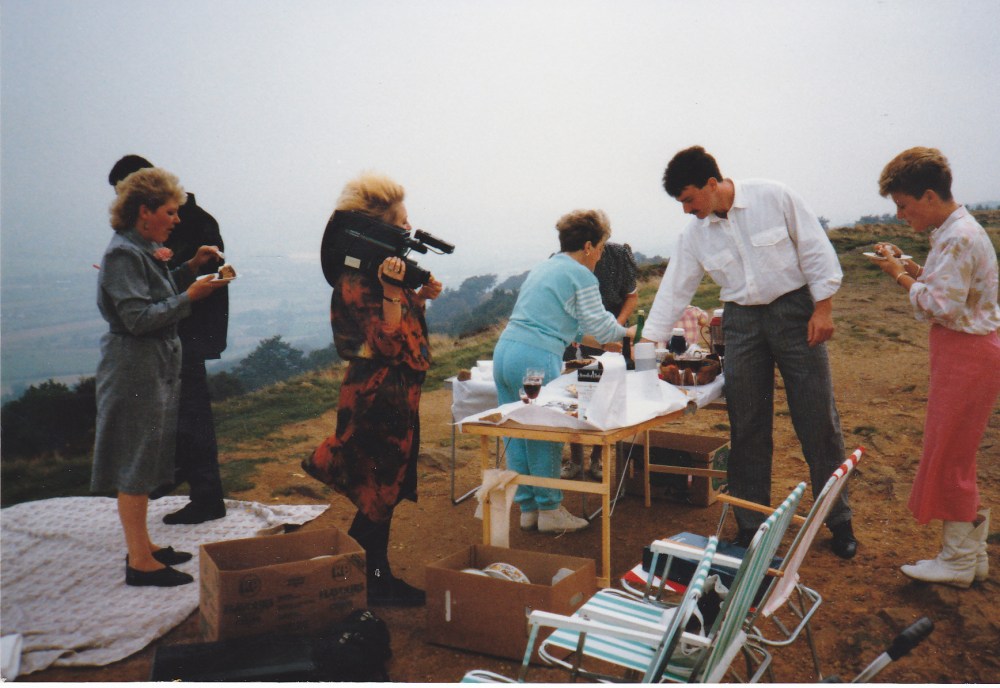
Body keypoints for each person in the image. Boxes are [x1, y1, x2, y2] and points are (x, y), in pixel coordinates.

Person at [643, 146, 857, 558]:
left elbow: (815, 249)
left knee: (817, 419)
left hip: (795, 312)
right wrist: (649, 345)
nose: (686, 210)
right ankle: (750, 524)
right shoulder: (693, 234)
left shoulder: (773, 196)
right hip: (741, 322)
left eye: (689, 199)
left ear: (711, 183)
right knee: (747, 423)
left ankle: (839, 519)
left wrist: (823, 307)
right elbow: (674, 289)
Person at [302, 173, 443, 607]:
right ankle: (369, 579)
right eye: (400, 221)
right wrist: (392, 292)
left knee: (383, 492)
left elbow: (401, 327)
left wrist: (418, 296)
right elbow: (384, 344)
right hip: (378, 396)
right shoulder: (358, 280)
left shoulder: (379, 274)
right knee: (377, 494)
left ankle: (366, 576)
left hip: (397, 394)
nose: (407, 228)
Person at [91, 167, 227, 587]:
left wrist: (189, 269)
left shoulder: (139, 248)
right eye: (169, 212)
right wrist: (190, 297)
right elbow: (137, 318)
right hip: (136, 368)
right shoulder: (122, 255)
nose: (177, 219)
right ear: (145, 211)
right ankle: (139, 562)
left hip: (152, 366)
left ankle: (144, 546)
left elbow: (156, 290)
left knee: (148, 455)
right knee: (137, 460)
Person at [870, 147, 1000, 587]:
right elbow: (951, 286)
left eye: (904, 206)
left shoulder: (959, 235)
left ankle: (957, 560)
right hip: (968, 351)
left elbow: (941, 305)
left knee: (947, 453)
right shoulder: (956, 231)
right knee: (954, 452)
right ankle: (971, 553)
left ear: (928, 196)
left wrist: (899, 276)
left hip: (966, 353)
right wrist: (910, 265)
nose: (902, 215)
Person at [493, 209, 636, 534]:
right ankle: (550, 510)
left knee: (516, 429)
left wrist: (604, 341)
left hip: (506, 354)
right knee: (546, 434)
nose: (600, 256)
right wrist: (630, 335)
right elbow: (601, 324)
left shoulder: (545, 268)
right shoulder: (581, 275)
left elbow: (564, 326)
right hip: (534, 360)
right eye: (600, 248)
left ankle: (528, 508)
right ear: (588, 245)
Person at [561, 241, 638, 481]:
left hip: (611, 333)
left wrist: (617, 325)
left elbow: (632, 297)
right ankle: (575, 460)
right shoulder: (567, 257)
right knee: (574, 396)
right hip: (578, 334)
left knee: (603, 396)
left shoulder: (619, 256)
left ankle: (597, 458)